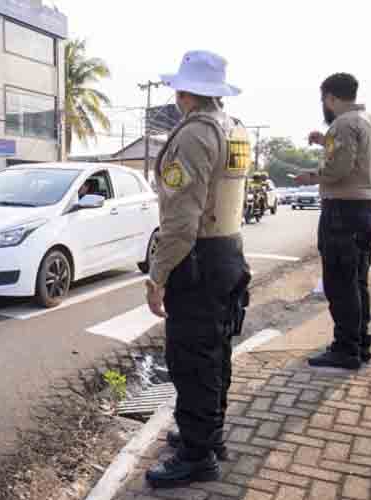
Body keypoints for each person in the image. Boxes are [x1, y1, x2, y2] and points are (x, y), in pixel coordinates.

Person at [144, 50, 252, 488]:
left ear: (184, 91)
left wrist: (158, 275)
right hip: (228, 252)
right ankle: (208, 435)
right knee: (215, 354)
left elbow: (180, 219)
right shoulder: (233, 126)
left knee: (191, 360)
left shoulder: (194, 134)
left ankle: (196, 455)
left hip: (199, 259)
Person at [296, 73, 371, 369]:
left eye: (325, 100)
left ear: (331, 97)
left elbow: (340, 169)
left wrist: (310, 176)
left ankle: (345, 350)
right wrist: (325, 142)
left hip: (343, 212)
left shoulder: (343, 124)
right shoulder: (370, 121)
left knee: (339, 283)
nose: (325, 106)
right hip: (367, 209)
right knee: (357, 280)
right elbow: (356, 159)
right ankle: (359, 343)